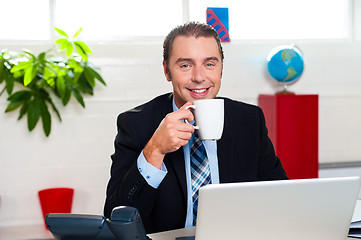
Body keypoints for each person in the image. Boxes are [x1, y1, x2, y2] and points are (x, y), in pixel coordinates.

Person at [104, 22, 288, 234]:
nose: (199, 77)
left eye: (209, 64)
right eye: (185, 65)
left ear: (221, 68)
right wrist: (155, 150)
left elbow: (280, 196)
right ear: (167, 71)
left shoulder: (249, 120)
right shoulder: (137, 124)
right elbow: (116, 219)